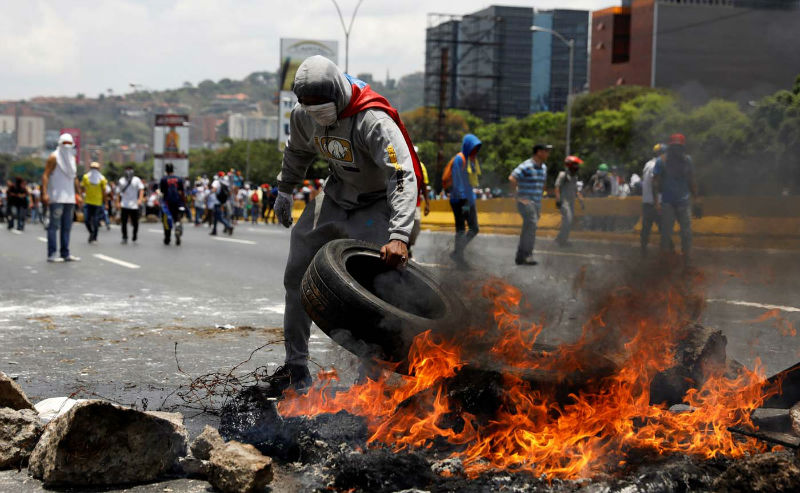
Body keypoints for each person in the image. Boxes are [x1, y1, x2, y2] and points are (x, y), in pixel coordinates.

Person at [263, 55, 422, 395]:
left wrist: (398, 236)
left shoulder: (373, 121)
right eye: (307, 104)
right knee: (296, 275)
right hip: (335, 196)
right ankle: (295, 367)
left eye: (320, 104)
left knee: (375, 291)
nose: (315, 111)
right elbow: (297, 152)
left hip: (378, 204)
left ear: (337, 92)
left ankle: (369, 382)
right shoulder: (304, 115)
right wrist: (286, 191)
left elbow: (402, 175)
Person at [653, 133, 698, 263]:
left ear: (683, 148)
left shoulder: (687, 160)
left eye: (679, 147)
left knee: (687, 232)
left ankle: (687, 259)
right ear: (670, 148)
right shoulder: (661, 161)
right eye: (674, 147)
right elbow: (655, 182)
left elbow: (692, 180)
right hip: (667, 203)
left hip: (684, 201)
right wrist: (657, 202)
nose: (676, 150)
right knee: (666, 233)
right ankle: (665, 260)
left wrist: (696, 199)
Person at [42, 133, 81, 262]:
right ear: (60, 144)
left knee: (67, 227)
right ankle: (52, 254)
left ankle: (65, 253)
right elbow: (46, 175)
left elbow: (74, 178)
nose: (67, 146)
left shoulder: (72, 159)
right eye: (65, 144)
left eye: (70, 144)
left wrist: (78, 194)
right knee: (54, 226)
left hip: (69, 198)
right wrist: (45, 193)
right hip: (57, 197)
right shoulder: (54, 157)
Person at [509, 144, 550, 265]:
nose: (548, 154)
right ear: (538, 152)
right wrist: (517, 197)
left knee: (528, 228)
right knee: (532, 225)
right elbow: (512, 178)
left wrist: (542, 194)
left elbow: (543, 183)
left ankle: (520, 255)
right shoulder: (526, 165)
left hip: (537, 202)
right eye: (546, 151)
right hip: (526, 202)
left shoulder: (544, 167)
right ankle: (527, 254)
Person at [447, 134, 482, 267]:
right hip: (460, 201)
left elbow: (471, 180)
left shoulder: (472, 160)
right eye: (474, 148)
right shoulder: (459, 159)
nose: (476, 151)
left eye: (477, 148)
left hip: (468, 200)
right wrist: (464, 199)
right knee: (461, 228)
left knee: (474, 228)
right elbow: (457, 180)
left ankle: (457, 251)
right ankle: (458, 255)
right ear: (468, 146)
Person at [555, 155, 585, 247]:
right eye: (575, 164)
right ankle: (562, 240)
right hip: (564, 201)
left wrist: (581, 200)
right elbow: (557, 187)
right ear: (570, 165)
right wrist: (558, 200)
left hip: (571, 202)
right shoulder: (563, 175)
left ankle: (561, 238)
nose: (577, 167)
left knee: (569, 221)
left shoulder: (574, 177)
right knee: (567, 220)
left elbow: (576, 190)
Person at [640, 143, 665, 256]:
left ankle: (643, 250)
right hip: (655, 202)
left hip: (646, 202)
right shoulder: (656, 165)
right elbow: (655, 184)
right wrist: (657, 203)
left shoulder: (647, 164)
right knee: (664, 228)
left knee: (646, 228)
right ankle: (669, 252)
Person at [408, 146, 431, 257]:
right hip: (402, 203)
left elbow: (424, 186)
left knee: (416, 226)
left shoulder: (421, 167)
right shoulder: (402, 164)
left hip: (415, 204)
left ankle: (409, 245)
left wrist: (427, 204)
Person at [80, 162, 108, 244]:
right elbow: (82, 188)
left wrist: (105, 203)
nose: (94, 170)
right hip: (88, 202)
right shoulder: (86, 177)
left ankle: (94, 236)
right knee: (86, 220)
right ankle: (91, 232)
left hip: (98, 203)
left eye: (95, 168)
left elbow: (104, 192)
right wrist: (81, 198)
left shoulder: (102, 179)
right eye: (92, 168)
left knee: (96, 221)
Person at [117, 165, 145, 244]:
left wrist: (140, 199)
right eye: (127, 170)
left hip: (134, 205)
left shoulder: (136, 180)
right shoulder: (121, 180)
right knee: (124, 222)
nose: (128, 172)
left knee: (135, 222)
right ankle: (124, 236)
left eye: (130, 169)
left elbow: (141, 189)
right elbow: (118, 192)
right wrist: (118, 202)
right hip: (124, 204)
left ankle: (134, 235)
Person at [159, 163, 186, 245]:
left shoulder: (163, 179)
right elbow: (181, 191)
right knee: (177, 217)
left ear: (166, 170)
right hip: (178, 202)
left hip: (167, 202)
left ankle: (167, 237)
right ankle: (178, 226)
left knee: (166, 220)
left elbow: (162, 191)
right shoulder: (179, 179)